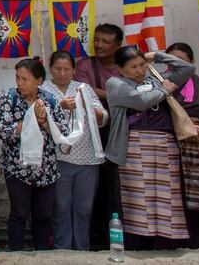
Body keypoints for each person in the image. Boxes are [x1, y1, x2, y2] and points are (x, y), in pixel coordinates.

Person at [105, 47, 195, 249]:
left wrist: (157, 56)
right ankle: (137, 245)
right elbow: (141, 102)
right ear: (120, 68)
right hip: (133, 148)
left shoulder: (152, 80)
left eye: (142, 65)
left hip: (164, 146)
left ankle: (164, 242)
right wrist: (164, 90)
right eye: (133, 67)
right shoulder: (116, 84)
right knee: (137, 199)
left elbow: (188, 69)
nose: (139, 70)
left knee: (165, 196)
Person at [0, 57, 69, 251]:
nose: (20, 83)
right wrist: (29, 120)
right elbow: (3, 131)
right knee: (19, 213)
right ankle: (16, 254)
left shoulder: (49, 100)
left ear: (39, 80)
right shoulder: (9, 98)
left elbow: (63, 133)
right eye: (18, 78)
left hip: (45, 169)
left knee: (44, 214)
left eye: (25, 79)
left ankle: (43, 253)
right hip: (18, 168)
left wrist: (44, 121)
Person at [41, 51, 108, 250]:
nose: (62, 73)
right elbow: (37, 117)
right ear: (50, 69)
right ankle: (63, 250)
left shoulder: (83, 88)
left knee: (84, 209)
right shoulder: (45, 89)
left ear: (74, 70)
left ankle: (82, 250)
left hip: (87, 158)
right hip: (58, 158)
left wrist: (87, 107)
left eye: (66, 69)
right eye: (57, 69)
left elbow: (103, 118)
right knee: (61, 208)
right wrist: (59, 106)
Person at [73, 23, 123, 248]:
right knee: (94, 187)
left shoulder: (123, 64)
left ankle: (115, 233)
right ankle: (96, 236)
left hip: (120, 132)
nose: (99, 45)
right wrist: (123, 93)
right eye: (97, 39)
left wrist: (108, 93)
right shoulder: (85, 65)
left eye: (106, 41)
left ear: (118, 45)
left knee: (117, 186)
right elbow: (84, 92)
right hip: (93, 134)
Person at [166, 42, 199, 248]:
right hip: (173, 144)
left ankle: (198, 241)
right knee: (174, 193)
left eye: (182, 62)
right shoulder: (161, 83)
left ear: (192, 63)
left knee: (198, 195)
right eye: (172, 61)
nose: (177, 66)